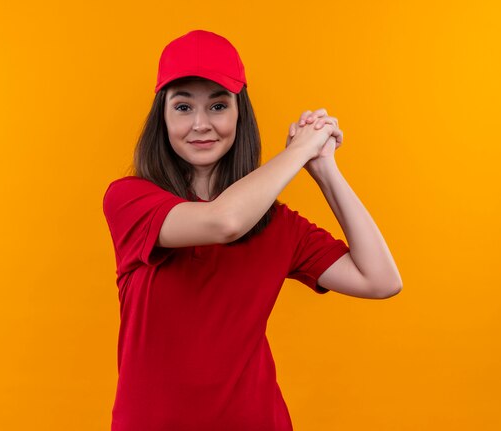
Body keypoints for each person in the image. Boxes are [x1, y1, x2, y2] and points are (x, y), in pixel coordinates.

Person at [102, 29, 402, 431]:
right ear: (163, 117)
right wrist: (298, 151)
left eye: (218, 106)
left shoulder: (276, 224)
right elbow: (223, 222)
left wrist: (324, 169)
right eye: (183, 107)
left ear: (240, 114)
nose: (201, 124)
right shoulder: (130, 200)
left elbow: (381, 279)